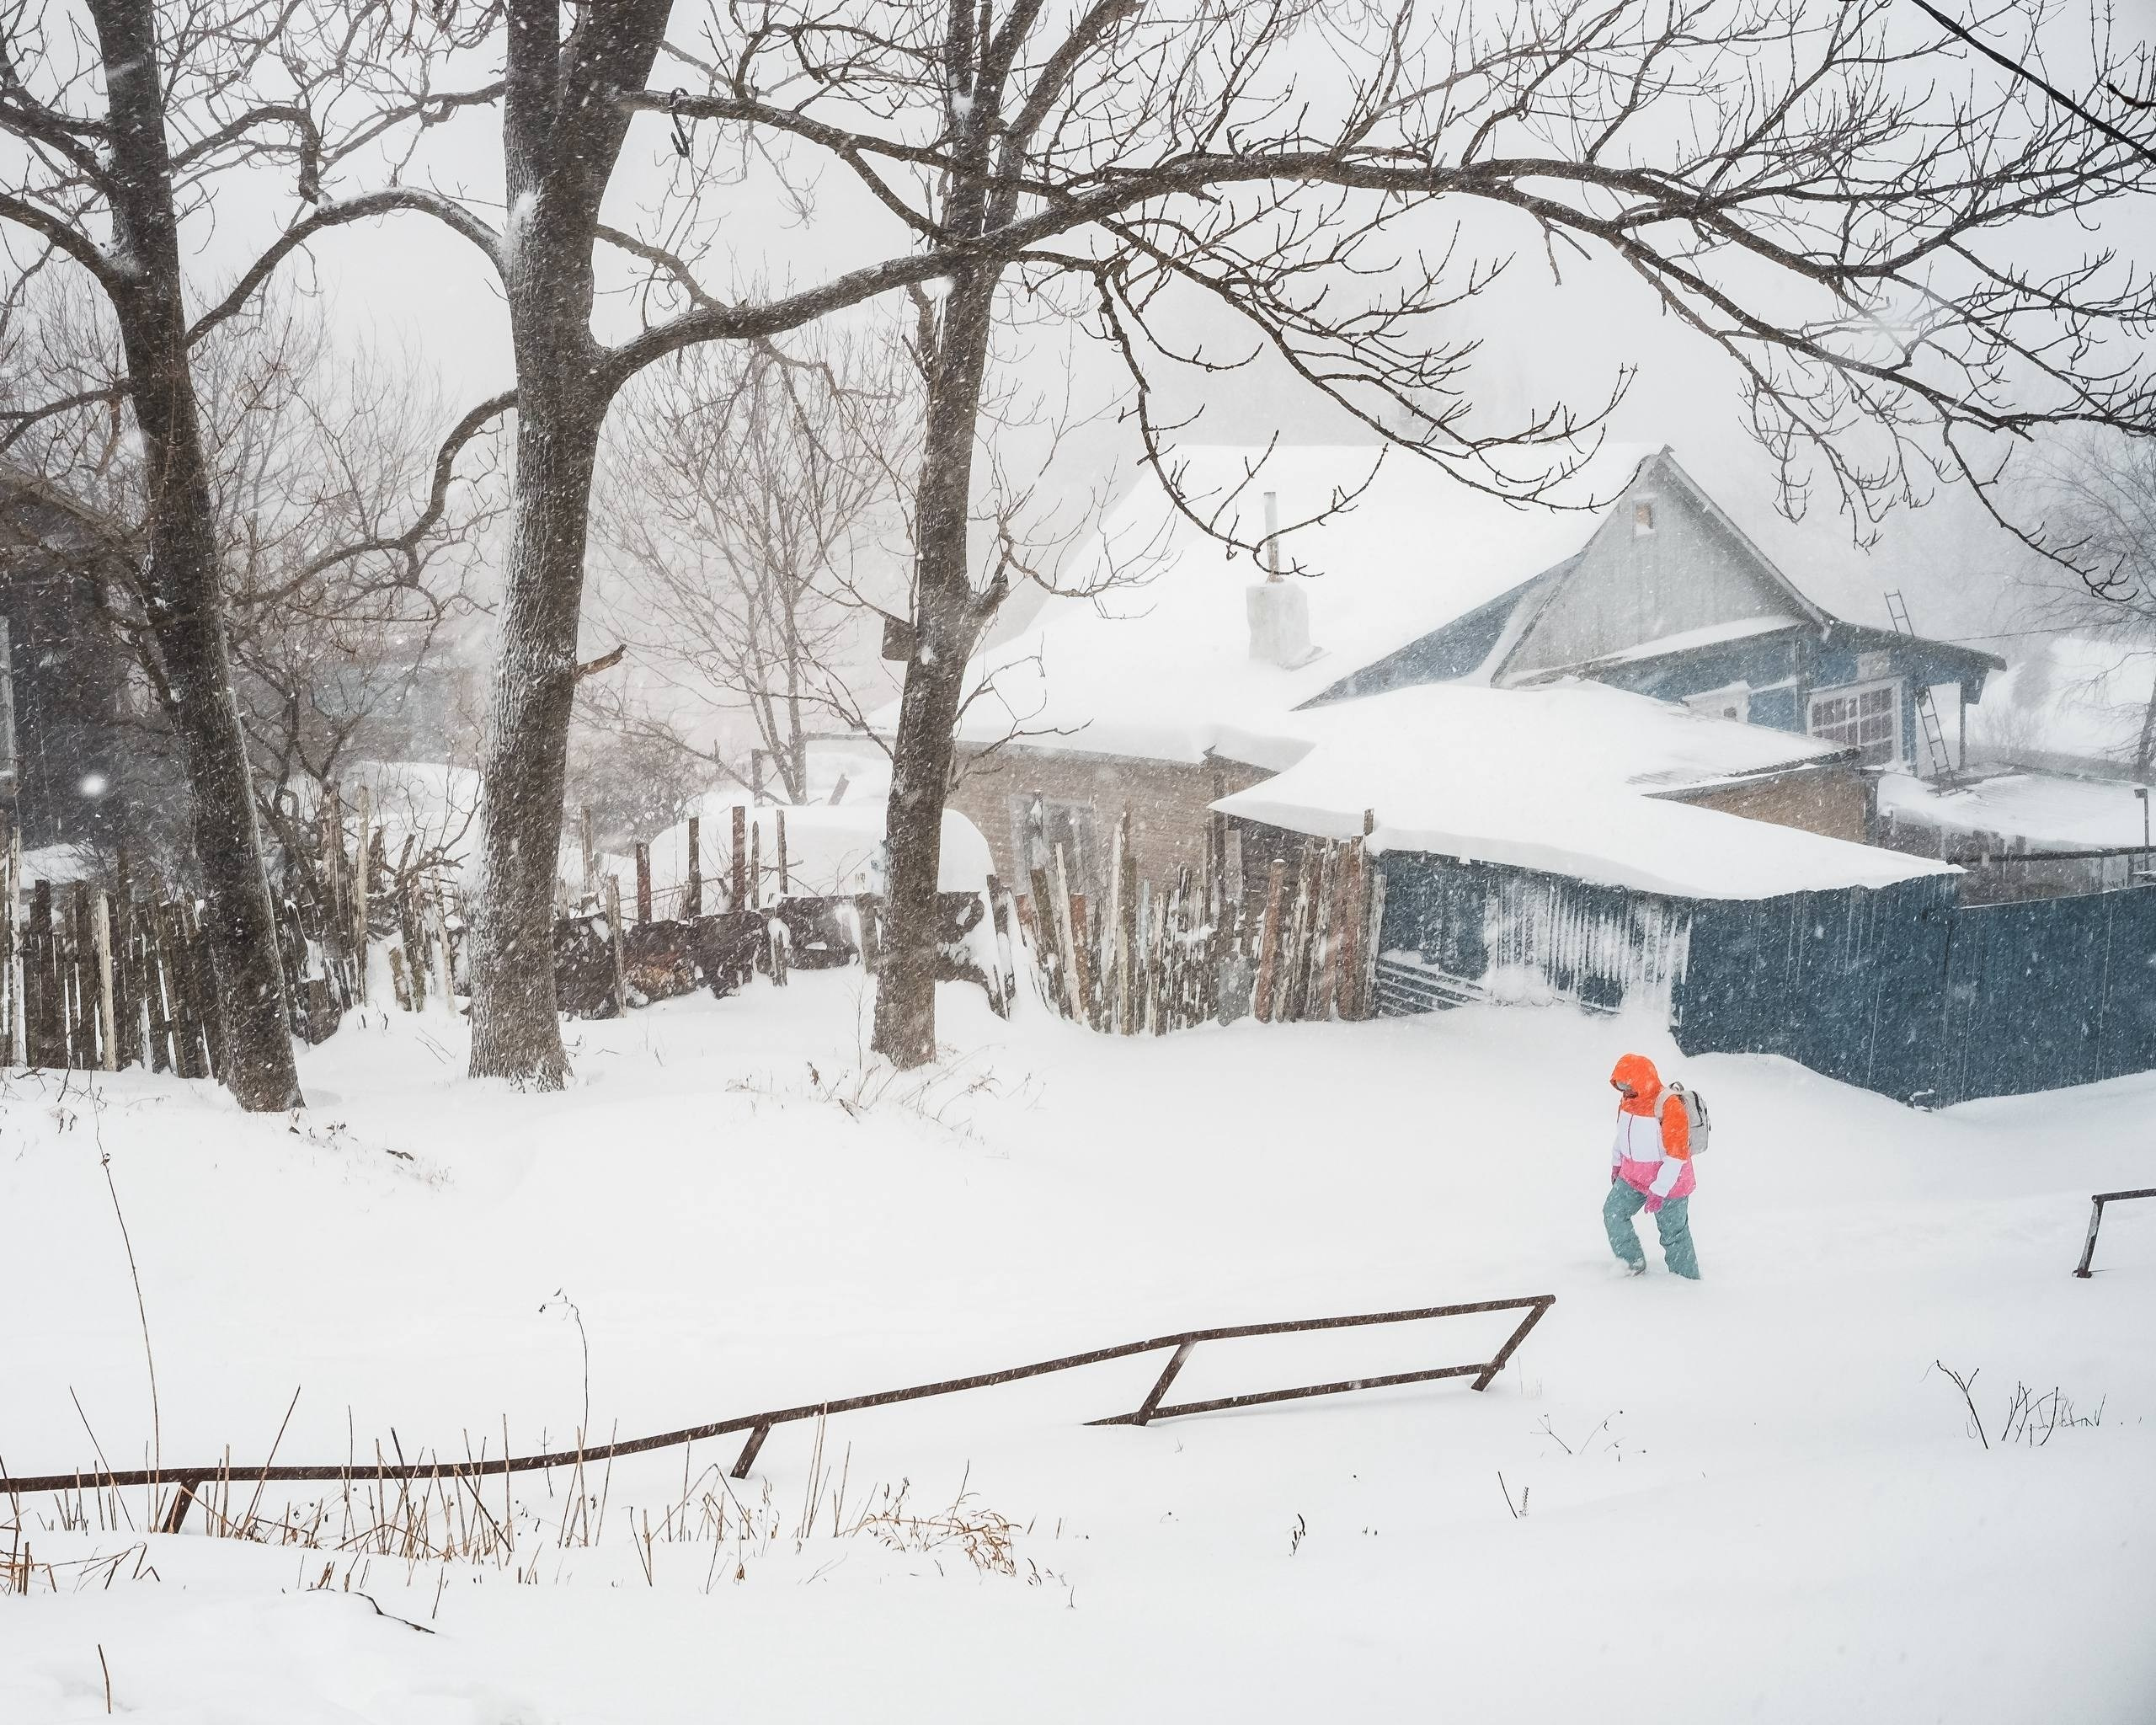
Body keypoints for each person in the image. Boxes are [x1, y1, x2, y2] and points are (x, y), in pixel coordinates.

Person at [1603, 1052, 1700, 1279]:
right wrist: (1617, 1165)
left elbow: (1677, 1155)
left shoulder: (1669, 1105)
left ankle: (1687, 1281)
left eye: (1628, 1085)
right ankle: (1631, 1263)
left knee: (1673, 1234)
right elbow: (1621, 1136)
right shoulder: (1627, 1101)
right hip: (1633, 1177)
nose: (1625, 1091)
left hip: (1671, 1183)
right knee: (1613, 1213)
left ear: (1641, 1080)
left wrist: (1659, 1190)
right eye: (1620, 1085)